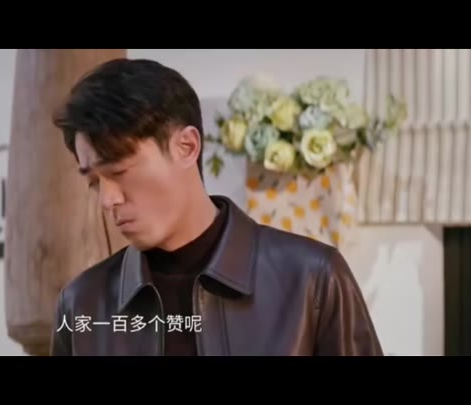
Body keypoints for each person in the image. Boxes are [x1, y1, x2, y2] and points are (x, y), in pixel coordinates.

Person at [49, 58, 383, 356]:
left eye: (119, 171)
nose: (107, 200)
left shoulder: (313, 280)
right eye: (94, 182)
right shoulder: (82, 303)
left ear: (186, 146)